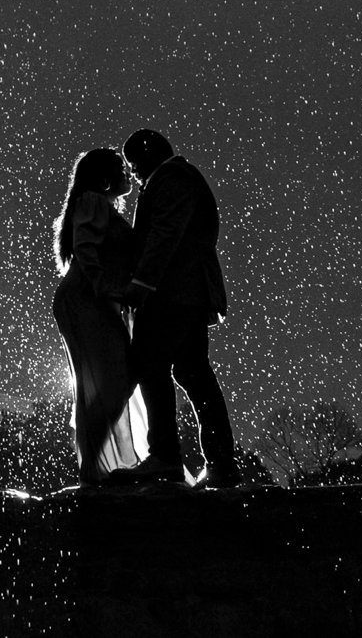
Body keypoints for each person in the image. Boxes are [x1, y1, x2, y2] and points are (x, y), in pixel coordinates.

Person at [111, 129, 241, 488]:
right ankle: (219, 464)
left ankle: (166, 458)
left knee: (152, 366)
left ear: (150, 154)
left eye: (135, 164)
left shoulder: (171, 178)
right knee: (193, 373)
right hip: (189, 295)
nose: (134, 174)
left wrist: (142, 284)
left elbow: (165, 233)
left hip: (173, 294)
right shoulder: (180, 178)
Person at [51, 147, 147, 485]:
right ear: (105, 178)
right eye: (122, 169)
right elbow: (85, 248)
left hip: (89, 298)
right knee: (111, 379)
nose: (127, 174)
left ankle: (93, 466)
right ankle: (92, 468)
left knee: (112, 379)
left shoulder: (98, 204)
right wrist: (105, 289)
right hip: (86, 299)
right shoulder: (93, 201)